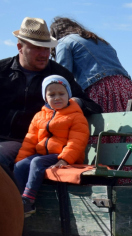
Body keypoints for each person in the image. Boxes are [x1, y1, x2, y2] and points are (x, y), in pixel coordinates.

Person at [0, 17, 101, 176]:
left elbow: (92, 106)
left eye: (47, 48)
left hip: (32, 145)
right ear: (20, 47)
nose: (44, 54)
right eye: (37, 48)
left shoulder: (58, 75)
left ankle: (17, 201)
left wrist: (71, 103)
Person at [13, 75, 89, 216]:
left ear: (69, 95)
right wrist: (20, 159)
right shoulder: (39, 116)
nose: (57, 98)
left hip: (62, 156)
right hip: (43, 155)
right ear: (45, 97)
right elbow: (29, 141)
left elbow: (77, 141)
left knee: (36, 162)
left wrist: (65, 159)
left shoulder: (75, 116)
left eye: (61, 93)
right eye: (51, 94)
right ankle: (17, 200)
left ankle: (28, 201)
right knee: (20, 166)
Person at [50, 18, 132, 113]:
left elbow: (61, 79)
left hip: (102, 88)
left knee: (105, 126)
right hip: (126, 86)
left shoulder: (63, 43)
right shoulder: (99, 40)